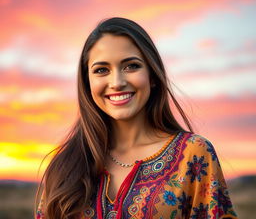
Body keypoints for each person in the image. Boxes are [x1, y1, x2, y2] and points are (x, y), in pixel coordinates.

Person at [36, 17, 237, 219]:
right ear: (87, 83)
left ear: (152, 75)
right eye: (101, 70)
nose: (117, 82)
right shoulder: (65, 165)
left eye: (131, 66)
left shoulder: (193, 154)